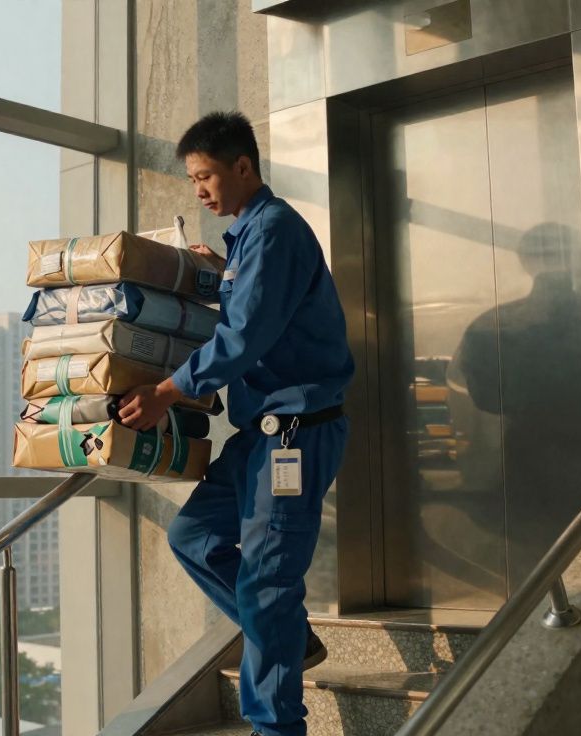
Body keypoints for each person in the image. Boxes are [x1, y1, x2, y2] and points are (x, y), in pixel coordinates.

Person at [118, 111, 354, 736]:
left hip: (295, 434)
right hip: (260, 434)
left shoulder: (274, 231)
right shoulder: (249, 237)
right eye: (193, 179)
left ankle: (275, 727)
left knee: (269, 580)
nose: (198, 190)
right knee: (193, 537)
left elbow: (246, 335)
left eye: (205, 177)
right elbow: (251, 309)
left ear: (243, 167)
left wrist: (168, 391)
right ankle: (291, 641)